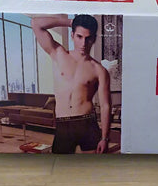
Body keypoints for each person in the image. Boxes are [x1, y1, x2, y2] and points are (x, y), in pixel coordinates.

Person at [31, 15, 111, 154]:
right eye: (79, 36)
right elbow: (36, 23)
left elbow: (105, 106)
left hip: (87, 123)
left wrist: (104, 138)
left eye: (88, 38)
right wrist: (70, 22)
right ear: (72, 35)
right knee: (61, 166)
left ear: (94, 39)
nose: (83, 43)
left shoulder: (99, 70)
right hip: (63, 124)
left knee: (92, 166)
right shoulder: (58, 54)